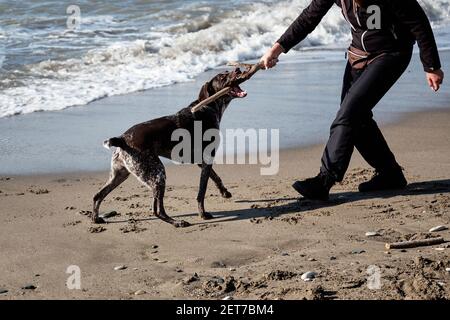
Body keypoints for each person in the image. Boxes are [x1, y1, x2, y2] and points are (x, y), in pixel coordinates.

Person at [260, 0, 444, 200]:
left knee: (348, 115)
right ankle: (390, 173)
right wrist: (277, 48)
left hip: (391, 53)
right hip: (357, 55)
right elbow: (308, 18)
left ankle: (325, 179)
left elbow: (419, 23)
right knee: (357, 118)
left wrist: (431, 65)